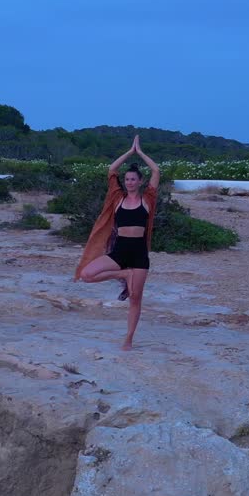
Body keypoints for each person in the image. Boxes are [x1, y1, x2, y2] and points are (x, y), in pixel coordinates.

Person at [74, 135, 161, 350]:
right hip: (119, 252)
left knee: (135, 299)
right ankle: (123, 274)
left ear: (140, 182)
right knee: (86, 274)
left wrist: (140, 152)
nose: (129, 182)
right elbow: (112, 170)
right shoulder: (118, 198)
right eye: (127, 179)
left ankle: (128, 339)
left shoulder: (147, 198)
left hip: (139, 254)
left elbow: (156, 171)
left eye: (133, 179)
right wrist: (129, 152)